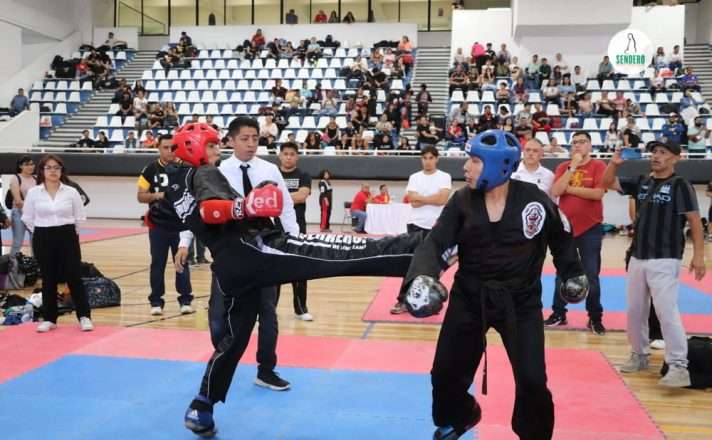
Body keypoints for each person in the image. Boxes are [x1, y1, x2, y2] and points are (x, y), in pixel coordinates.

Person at [167, 121, 430, 438]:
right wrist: (245, 205)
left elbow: (194, 216)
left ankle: (202, 405)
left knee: (232, 340)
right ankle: (422, 247)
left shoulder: (176, 183)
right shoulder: (205, 172)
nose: (216, 150)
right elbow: (210, 210)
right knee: (339, 252)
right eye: (210, 145)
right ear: (194, 148)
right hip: (256, 251)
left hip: (230, 266)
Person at [399, 129, 585, 440]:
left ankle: (534, 435)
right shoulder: (462, 201)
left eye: (474, 161)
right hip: (470, 298)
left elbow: (561, 234)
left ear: (498, 165)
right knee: (444, 373)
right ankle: (460, 416)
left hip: (521, 302)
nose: (465, 167)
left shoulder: (534, 200)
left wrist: (572, 271)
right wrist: (422, 277)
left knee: (533, 381)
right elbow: (435, 243)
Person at [603, 141, 706, 387]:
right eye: (654, 152)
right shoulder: (642, 181)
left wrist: (699, 255)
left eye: (663, 153)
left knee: (666, 311)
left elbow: (694, 220)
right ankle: (639, 354)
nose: (656, 156)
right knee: (635, 311)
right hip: (638, 256)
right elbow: (606, 183)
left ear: (676, 158)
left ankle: (679, 365)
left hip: (665, 258)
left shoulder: (681, 185)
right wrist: (613, 164)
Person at [22, 154, 93, 333]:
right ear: (42, 171)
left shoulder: (71, 192)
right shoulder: (33, 193)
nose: (53, 171)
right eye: (49, 167)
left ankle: (84, 316)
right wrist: (41, 231)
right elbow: (28, 218)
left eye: (56, 167)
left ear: (62, 171)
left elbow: (80, 217)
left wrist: (70, 234)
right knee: (48, 278)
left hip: (67, 235)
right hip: (43, 236)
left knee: (74, 276)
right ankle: (50, 318)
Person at [544, 131, 606, 334]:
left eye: (582, 142)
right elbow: (556, 191)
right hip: (565, 228)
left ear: (590, 145)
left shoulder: (599, 166)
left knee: (591, 275)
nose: (578, 145)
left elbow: (597, 193)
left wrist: (568, 189)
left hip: (590, 228)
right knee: (562, 273)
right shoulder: (564, 167)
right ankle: (558, 314)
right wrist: (573, 167)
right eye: (575, 142)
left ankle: (595, 317)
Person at [137, 134, 193, 316]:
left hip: (181, 224)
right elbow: (140, 196)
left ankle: (185, 300)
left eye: (172, 147)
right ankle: (156, 301)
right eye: (165, 147)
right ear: (159, 149)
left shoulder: (186, 168)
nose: (169, 151)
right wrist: (159, 195)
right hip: (158, 225)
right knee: (157, 263)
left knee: (182, 262)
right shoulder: (150, 169)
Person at [391, 146, 452, 314]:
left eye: (431, 158)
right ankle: (403, 301)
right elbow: (412, 201)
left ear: (437, 159)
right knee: (411, 264)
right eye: (425, 158)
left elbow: (442, 200)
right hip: (416, 224)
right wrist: (431, 198)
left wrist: (421, 199)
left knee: (433, 266)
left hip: (436, 226)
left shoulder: (444, 177)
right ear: (421, 159)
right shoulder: (415, 177)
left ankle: (429, 302)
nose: (428, 161)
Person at [277, 142, 313, 321]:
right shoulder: (273, 174)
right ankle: (269, 308)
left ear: (297, 156)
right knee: (273, 269)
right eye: (285, 154)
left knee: (299, 268)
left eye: (292, 154)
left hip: (298, 228)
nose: (288, 157)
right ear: (280, 155)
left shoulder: (304, 175)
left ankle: (301, 309)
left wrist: (278, 197)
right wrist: (290, 197)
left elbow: (301, 196)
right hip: (275, 229)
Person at [8, 156, 37, 256]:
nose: (30, 167)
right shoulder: (15, 178)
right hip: (19, 213)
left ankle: (35, 264)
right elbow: (18, 201)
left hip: (33, 215)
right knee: (17, 242)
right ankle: (13, 265)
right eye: (27, 164)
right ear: (20, 166)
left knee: (36, 243)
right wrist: (34, 204)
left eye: (32, 164)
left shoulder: (36, 179)